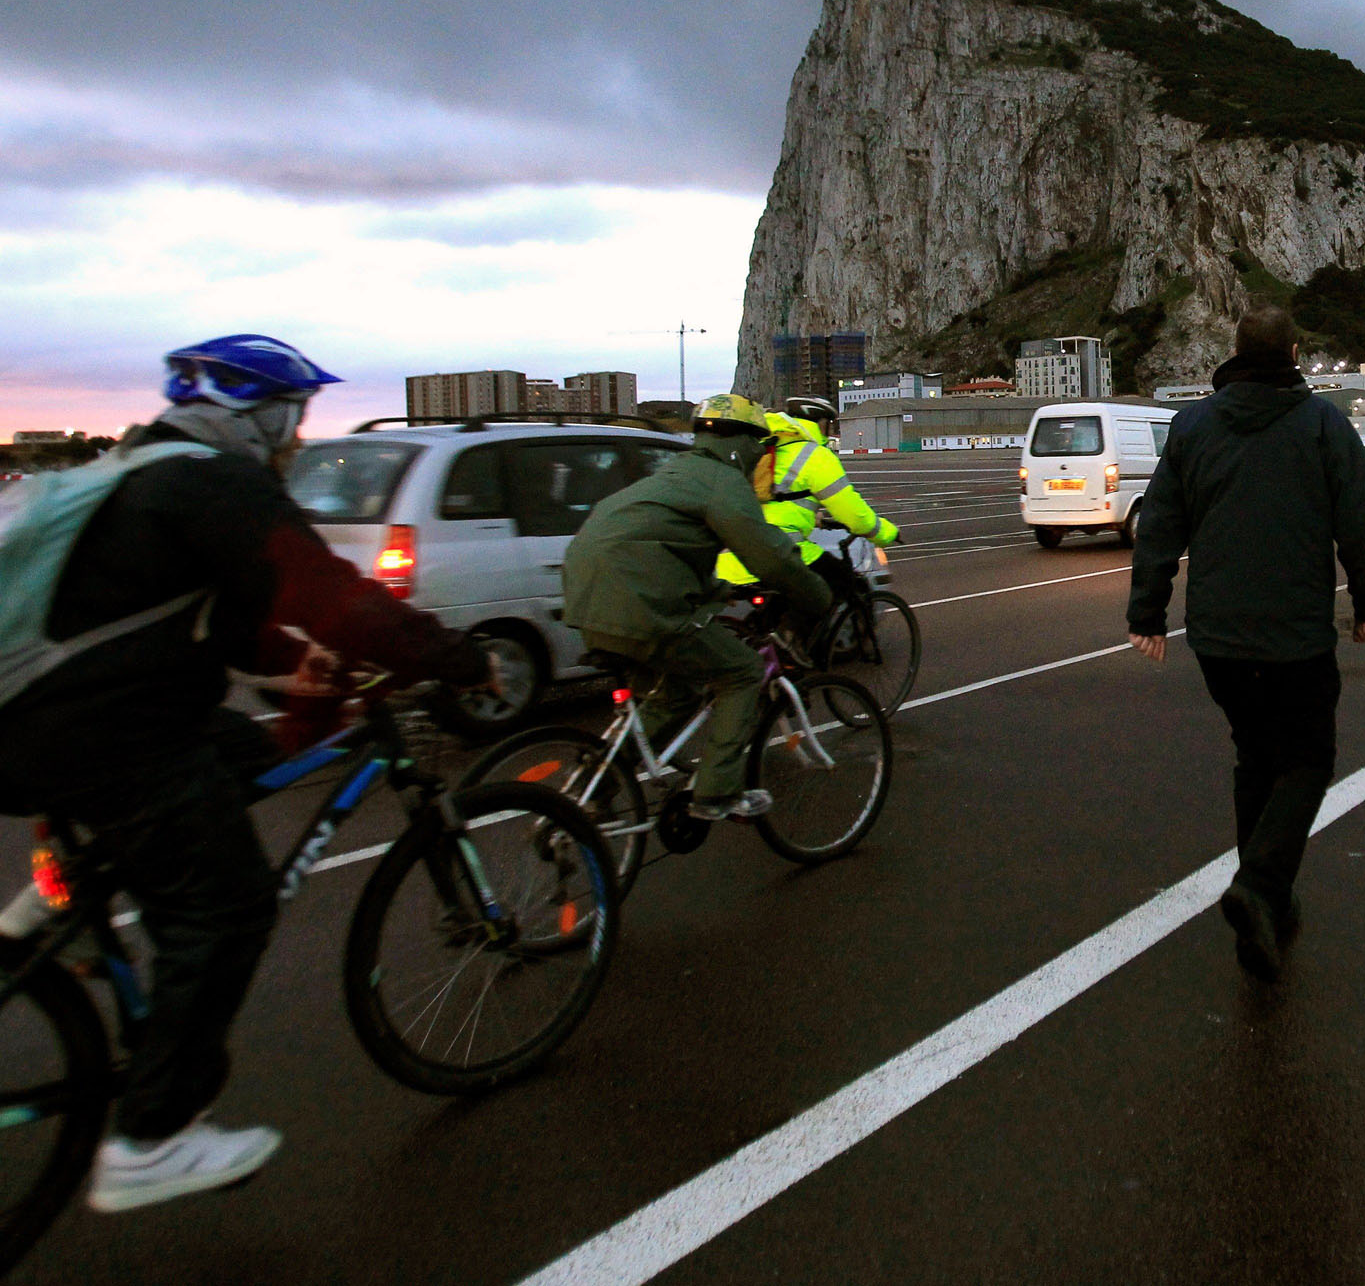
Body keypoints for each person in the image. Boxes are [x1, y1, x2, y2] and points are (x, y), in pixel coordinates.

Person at [0, 335, 498, 1212]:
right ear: (259, 413)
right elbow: (335, 597)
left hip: (73, 720)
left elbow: (211, 613)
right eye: (293, 419)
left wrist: (285, 666)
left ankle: (60, 899)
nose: (298, 439)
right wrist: (458, 659)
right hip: (92, 734)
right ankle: (151, 1139)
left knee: (236, 760)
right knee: (227, 903)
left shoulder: (141, 470)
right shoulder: (213, 483)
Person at [1127, 306, 1365, 980]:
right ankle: (1260, 884)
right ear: (1295, 353)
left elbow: (1160, 522)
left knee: (1255, 758)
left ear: (1235, 352)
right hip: (1294, 638)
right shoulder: (1323, 425)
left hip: (1216, 639)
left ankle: (1264, 914)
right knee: (1306, 760)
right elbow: (1356, 522)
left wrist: (1149, 613)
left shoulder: (1193, 426)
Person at [564, 393, 833, 820]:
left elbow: (669, 548)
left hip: (589, 598)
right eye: (762, 447)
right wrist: (817, 596)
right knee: (743, 673)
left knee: (678, 691)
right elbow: (769, 556)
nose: (764, 458)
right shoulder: (723, 482)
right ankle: (716, 794)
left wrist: (719, 589)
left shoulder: (675, 472)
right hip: (642, 604)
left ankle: (594, 783)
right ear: (745, 442)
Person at [715, 394, 899, 601]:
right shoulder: (816, 456)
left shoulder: (764, 447)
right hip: (779, 554)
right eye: (829, 424)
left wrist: (814, 518)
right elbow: (854, 514)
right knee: (843, 582)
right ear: (821, 424)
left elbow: (778, 500)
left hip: (729, 559)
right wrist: (886, 533)